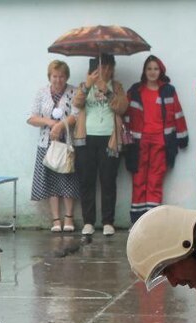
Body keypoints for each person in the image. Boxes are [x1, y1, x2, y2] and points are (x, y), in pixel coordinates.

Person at [68, 53, 127, 238]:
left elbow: (122, 107)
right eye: (103, 68)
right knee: (87, 181)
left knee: (108, 180)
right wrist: (87, 86)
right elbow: (76, 104)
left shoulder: (117, 87)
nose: (107, 71)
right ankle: (88, 221)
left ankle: (108, 221)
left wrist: (107, 91)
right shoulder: (83, 86)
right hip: (86, 139)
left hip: (109, 140)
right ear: (94, 70)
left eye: (110, 67)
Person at [125, 56, 188, 223]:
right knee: (138, 180)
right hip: (138, 143)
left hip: (161, 142)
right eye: (149, 69)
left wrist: (183, 136)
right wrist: (124, 140)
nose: (152, 72)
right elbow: (125, 115)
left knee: (155, 180)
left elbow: (178, 113)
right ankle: (137, 222)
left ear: (161, 71)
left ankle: (152, 221)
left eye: (155, 69)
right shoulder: (135, 91)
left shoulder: (168, 90)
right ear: (144, 71)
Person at [27, 60, 78, 232]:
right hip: (46, 143)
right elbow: (31, 117)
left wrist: (60, 125)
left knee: (68, 180)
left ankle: (69, 218)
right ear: (50, 76)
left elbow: (76, 115)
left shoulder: (73, 91)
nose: (58, 80)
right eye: (55, 76)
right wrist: (49, 122)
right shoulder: (42, 92)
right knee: (50, 182)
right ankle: (56, 219)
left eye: (61, 76)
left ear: (66, 77)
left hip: (67, 143)